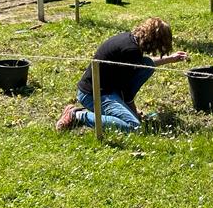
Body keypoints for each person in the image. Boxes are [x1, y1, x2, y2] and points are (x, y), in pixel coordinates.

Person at [56, 17, 188, 132]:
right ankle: (77, 115)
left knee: (147, 65)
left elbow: (140, 66)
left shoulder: (130, 40)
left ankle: (118, 111)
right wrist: (134, 113)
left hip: (107, 88)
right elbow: (127, 92)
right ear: (155, 40)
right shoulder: (131, 51)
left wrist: (170, 58)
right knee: (133, 126)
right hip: (94, 95)